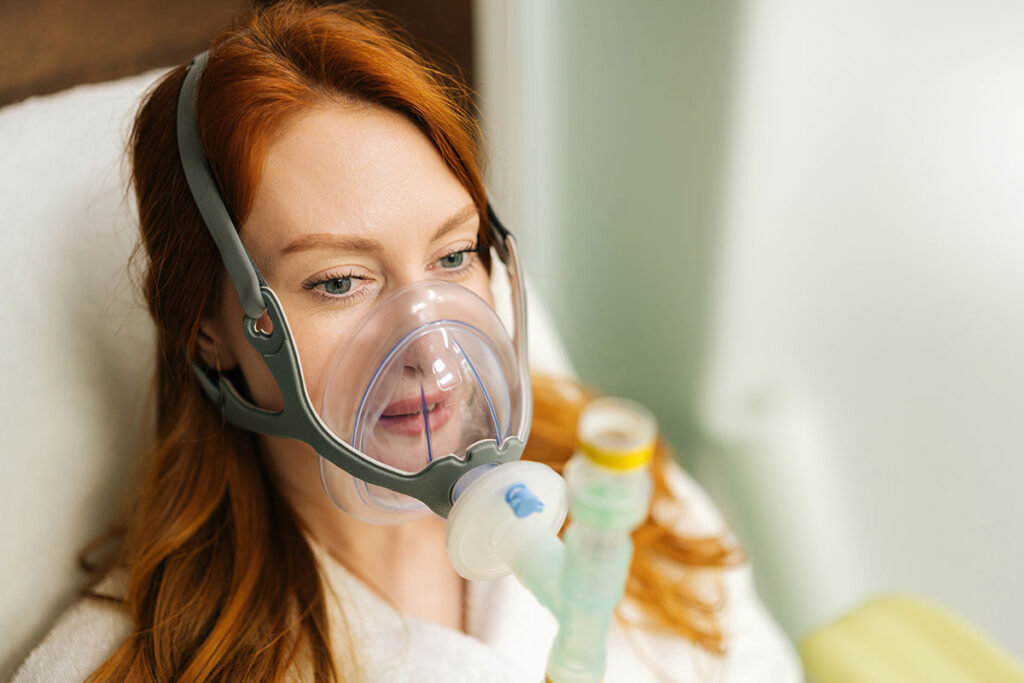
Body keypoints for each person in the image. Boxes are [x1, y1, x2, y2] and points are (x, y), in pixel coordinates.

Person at [13, 2, 801, 681]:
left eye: (453, 256)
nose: (429, 348)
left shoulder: (625, 499)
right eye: (338, 282)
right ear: (210, 332)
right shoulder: (132, 662)